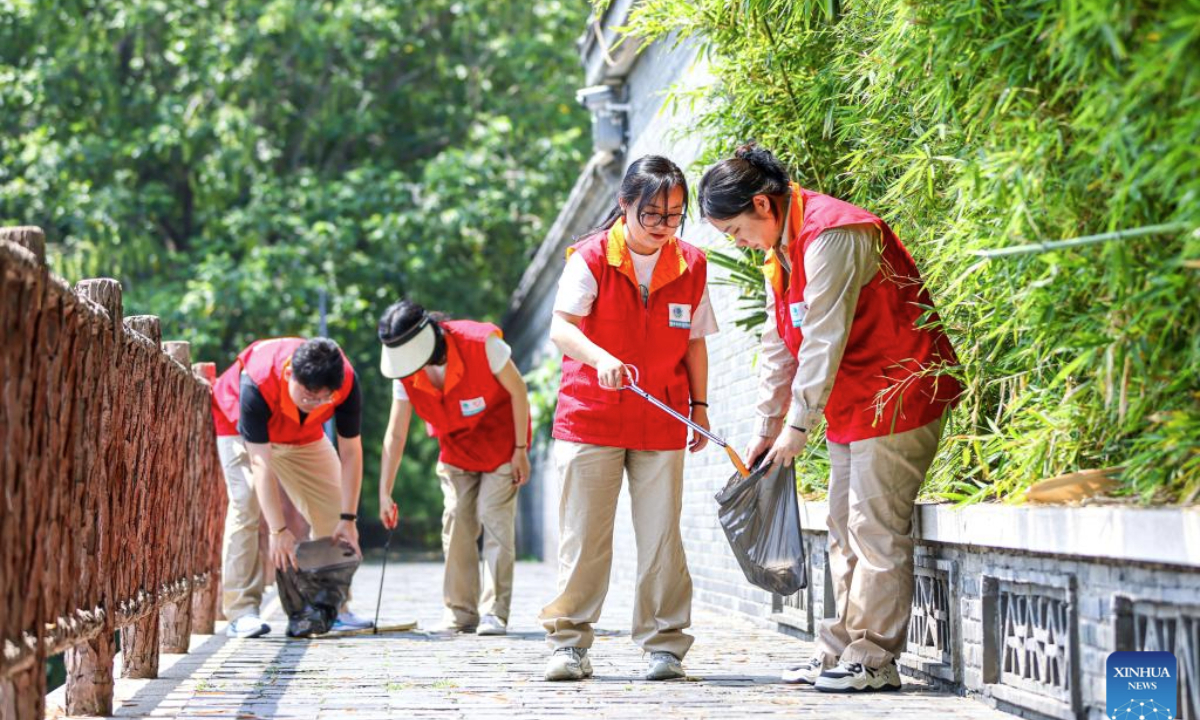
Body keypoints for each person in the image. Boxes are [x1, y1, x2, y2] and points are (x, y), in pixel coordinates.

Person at [698, 144, 962, 693]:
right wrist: (766, 429)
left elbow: (822, 336)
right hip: (851, 402)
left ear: (763, 207)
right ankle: (838, 651)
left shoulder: (835, 232)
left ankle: (873, 658)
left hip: (896, 392)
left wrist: (797, 425)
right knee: (844, 527)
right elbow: (779, 344)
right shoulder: (782, 251)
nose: (739, 243)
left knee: (873, 528)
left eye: (735, 231)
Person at [538, 155, 717, 683]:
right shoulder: (590, 258)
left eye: (674, 216)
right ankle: (569, 643)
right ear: (625, 205)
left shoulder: (691, 264)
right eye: (653, 215)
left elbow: (695, 343)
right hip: (590, 416)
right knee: (585, 535)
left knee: (662, 536)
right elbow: (561, 327)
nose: (663, 227)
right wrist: (601, 359)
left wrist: (699, 408)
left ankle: (665, 645)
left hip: (659, 417)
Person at [377, 300, 532, 637]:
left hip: (502, 442)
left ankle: (495, 612)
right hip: (456, 448)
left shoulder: (482, 344)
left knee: (494, 517)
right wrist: (384, 492)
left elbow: (519, 391)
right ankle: (460, 612)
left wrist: (521, 450)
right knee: (457, 518)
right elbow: (397, 432)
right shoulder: (404, 372)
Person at [211, 336, 372, 638]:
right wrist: (278, 531)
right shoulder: (256, 382)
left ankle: (333, 608)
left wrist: (348, 519)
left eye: (325, 397)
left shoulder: (346, 382)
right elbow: (261, 463)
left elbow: (351, 452)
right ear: (289, 375)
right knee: (245, 502)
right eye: (309, 394)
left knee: (335, 506)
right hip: (240, 428)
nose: (316, 402)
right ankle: (242, 610)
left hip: (301, 433)